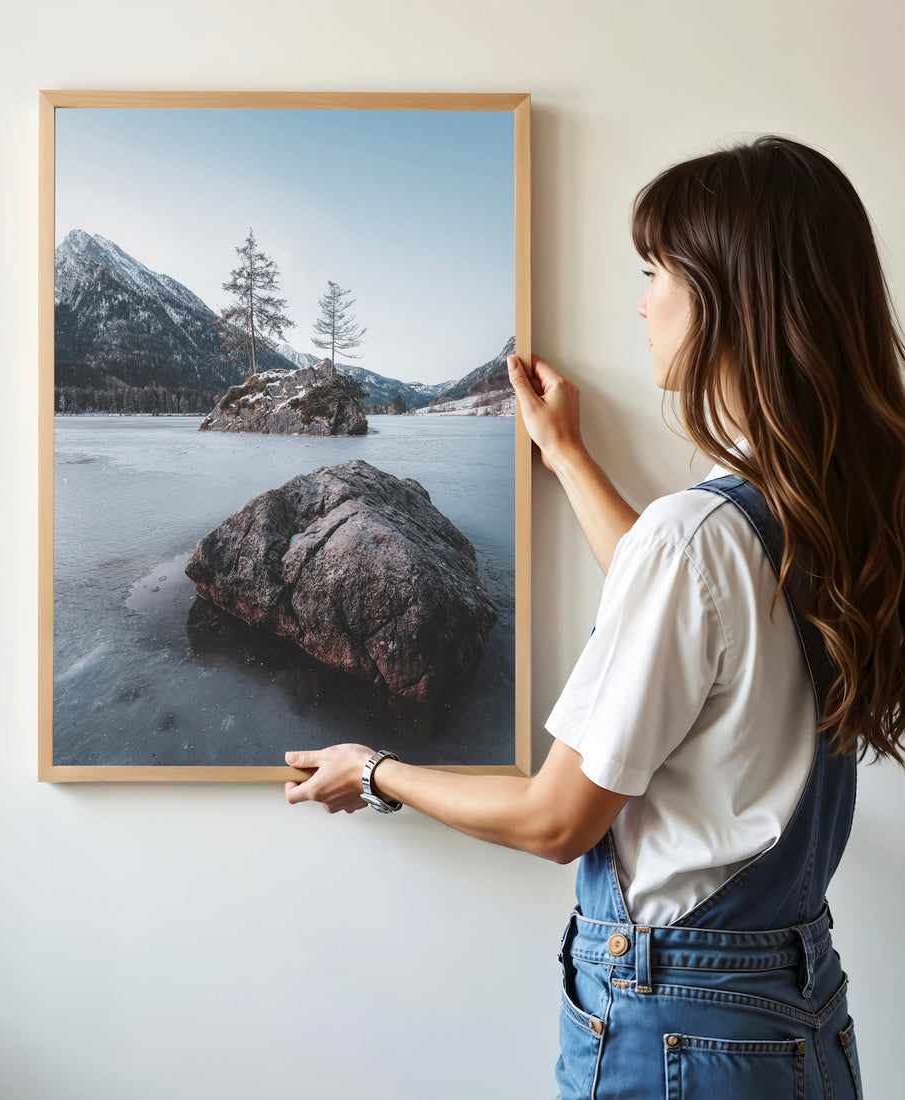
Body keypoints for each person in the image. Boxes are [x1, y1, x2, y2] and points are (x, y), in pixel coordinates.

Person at [283, 134, 905, 1098]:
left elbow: (555, 819)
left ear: (731, 299)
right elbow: (693, 623)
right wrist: (569, 456)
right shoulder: (824, 509)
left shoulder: (699, 536)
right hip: (793, 1016)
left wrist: (373, 770)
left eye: (657, 271)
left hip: (680, 1031)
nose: (643, 300)